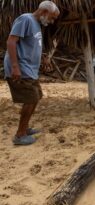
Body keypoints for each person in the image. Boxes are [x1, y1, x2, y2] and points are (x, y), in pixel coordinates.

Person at [4, 1, 60, 145]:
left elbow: (31, 46)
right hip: (21, 68)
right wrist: (15, 67)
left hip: (29, 69)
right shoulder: (26, 19)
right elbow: (11, 41)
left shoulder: (36, 25)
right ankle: (20, 135)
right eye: (52, 17)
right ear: (44, 12)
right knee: (30, 99)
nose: (52, 21)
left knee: (35, 97)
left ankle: (25, 128)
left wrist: (42, 59)